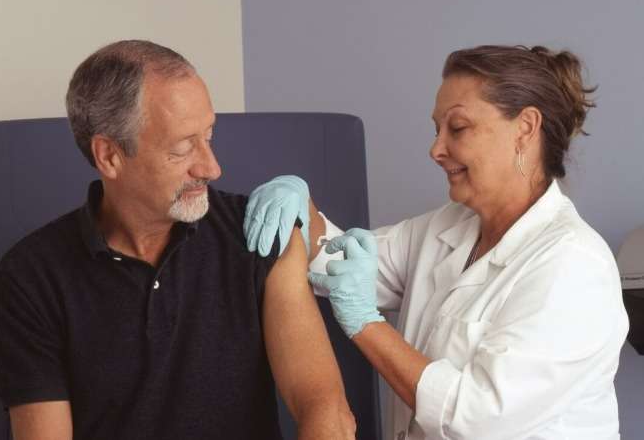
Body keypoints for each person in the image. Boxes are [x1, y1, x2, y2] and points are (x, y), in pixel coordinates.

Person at [244, 45, 629, 439]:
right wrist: (300, 206)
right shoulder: (447, 227)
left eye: (457, 128)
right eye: (436, 129)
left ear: (525, 128)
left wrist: (366, 323)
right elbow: (338, 260)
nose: (435, 149)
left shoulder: (574, 266)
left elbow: (476, 419)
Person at [0, 40, 355, 440]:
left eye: (209, 136)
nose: (211, 168)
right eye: (182, 149)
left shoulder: (260, 234)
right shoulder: (31, 276)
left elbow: (326, 410)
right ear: (109, 156)